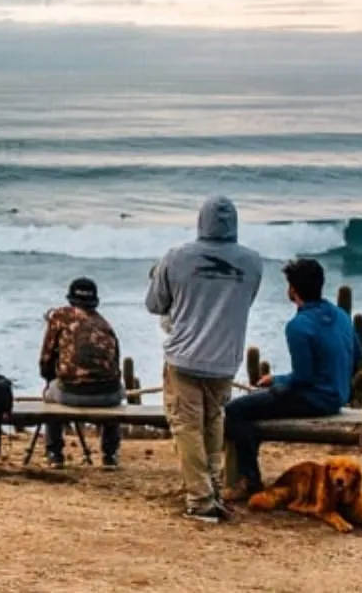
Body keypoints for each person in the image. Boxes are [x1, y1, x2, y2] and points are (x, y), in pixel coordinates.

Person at [146, 195, 264, 523]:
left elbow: (155, 305)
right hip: (226, 358)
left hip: (184, 355)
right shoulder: (252, 262)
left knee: (186, 425)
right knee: (214, 421)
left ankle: (200, 500)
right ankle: (213, 488)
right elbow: (246, 300)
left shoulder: (177, 257)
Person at [223, 258, 358, 500]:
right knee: (256, 405)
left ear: (292, 290)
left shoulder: (299, 325)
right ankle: (246, 471)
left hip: (316, 399)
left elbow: (303, 378)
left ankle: (250, 481)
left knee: (234, 411)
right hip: (339, 394)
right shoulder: (341, 315)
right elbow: (357, 356)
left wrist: (275, 381)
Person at [38, 277, 124, 469]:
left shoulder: (60, 316)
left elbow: (46, 359)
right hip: (109, 395)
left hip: (72, 393)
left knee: (50, 395)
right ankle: (110, 454)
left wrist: (50, 378)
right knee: (116, 393)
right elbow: (116, 364)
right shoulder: (105, 324)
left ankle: (55, 453)